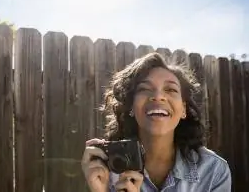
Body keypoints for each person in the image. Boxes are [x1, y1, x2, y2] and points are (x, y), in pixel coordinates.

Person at [81, 52, 231, 192]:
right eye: (145, 88)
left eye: (171, 90)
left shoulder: (213, 171)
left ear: (183, 109)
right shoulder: (105, 172)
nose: (158, 96)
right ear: (131, 107)